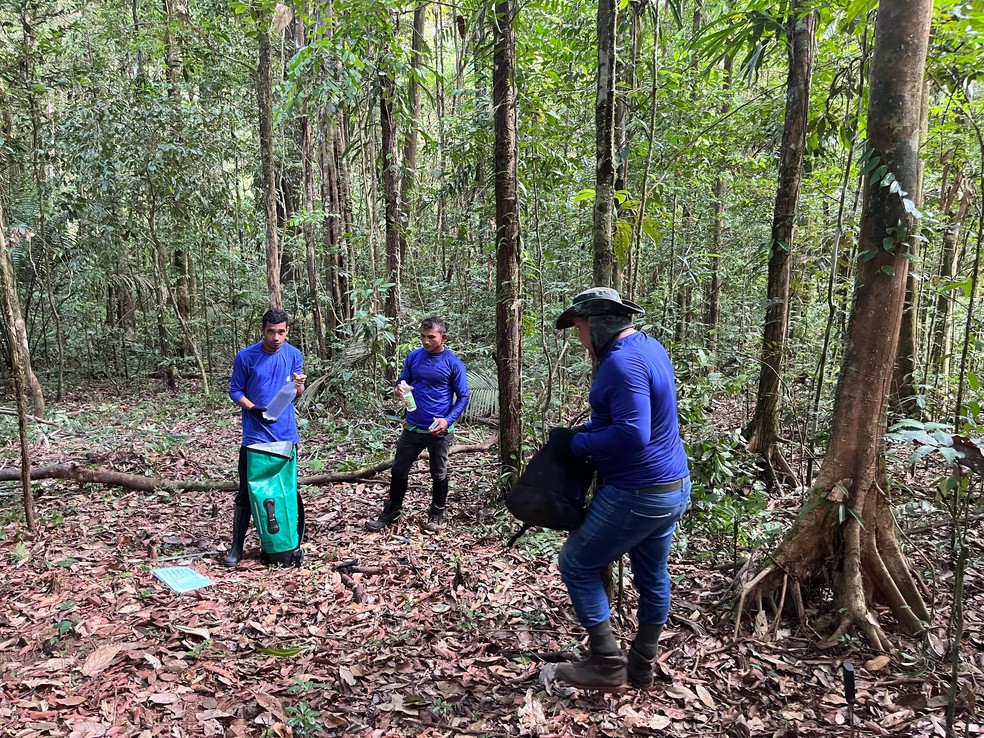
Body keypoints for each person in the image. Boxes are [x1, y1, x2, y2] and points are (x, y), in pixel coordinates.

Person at [547, 287, 690, 691]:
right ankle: (641, 665)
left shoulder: (621, 364)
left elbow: (632, 434)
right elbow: (630, 418)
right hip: (671, 487)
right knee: (653, 574)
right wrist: (586, 431)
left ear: (598, 324)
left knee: (576, 563)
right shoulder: (649, 348)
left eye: (579, 328)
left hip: (638, 490)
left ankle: (607, 664)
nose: (580, 338)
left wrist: (576, 444)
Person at [367, 317, 469, 532]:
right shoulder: (414, 357)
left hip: (438, 430)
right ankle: (391, 512)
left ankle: (437, 514)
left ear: (443, 337)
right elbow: (403, 381)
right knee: (399, 470)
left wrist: (447, 420)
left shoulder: (453, 362)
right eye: (422, 336)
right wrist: (399, 389)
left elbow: (463, 397)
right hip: (412, 426)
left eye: (431, 337)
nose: (425, 341)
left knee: (438, 473)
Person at [224, 308, 306, 567]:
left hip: (285, 435)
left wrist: (299, 384)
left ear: (287, 331)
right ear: (263, 330)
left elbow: (297, 393)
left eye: (281, 332)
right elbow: (235, 391)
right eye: (271, 332)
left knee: (286, 491)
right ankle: (236, 547)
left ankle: (285, 542)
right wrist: (253, 408)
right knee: (247, 493)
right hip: (255, 437)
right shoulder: (246, 357)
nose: (276, 337)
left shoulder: (294, 355)